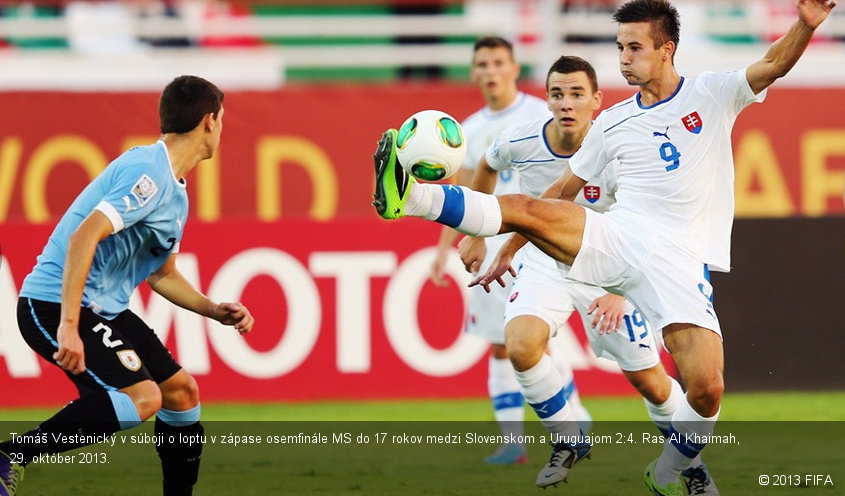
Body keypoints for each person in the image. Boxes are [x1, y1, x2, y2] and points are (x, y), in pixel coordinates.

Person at [371, 0, 836, 494]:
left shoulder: (712, 93)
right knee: (526, 206)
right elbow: (560, 196)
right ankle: (410, 196)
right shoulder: (612, 122)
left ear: (666, 49)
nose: (624, 58)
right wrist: (509, 248)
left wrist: (804, 25)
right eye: (619, 47)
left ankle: (669, 472)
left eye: (634, 47)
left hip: (680, 261)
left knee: (705, 389)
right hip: (621, 234)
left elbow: (773, 64)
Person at [459, 54, 706, 491]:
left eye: (577, 94)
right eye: (557, 94)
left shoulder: (623, 147)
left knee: (649, 381)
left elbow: (645, 226)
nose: (566, 104)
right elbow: (487, 166)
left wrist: (621, 291)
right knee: (520, 344)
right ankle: (569, 439)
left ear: (596, 100)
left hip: (608, 269)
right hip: (545, 262)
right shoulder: (520, 140)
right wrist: (476, 234)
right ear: (547, 100)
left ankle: (691, 466)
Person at [0, 75, 254, 496]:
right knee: (144, 398)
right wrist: (67, 324)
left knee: (181, 393)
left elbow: (162, 274)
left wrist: (213, 309)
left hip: (102, 311)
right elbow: (84, 236)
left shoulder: (175, 193)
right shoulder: (148, 173)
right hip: (53, 304)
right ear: (209, 121)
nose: (222, 128)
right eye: (223, 119)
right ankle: (11, 456)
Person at [428, 36, 589, 465]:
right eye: (482, 63)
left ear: (515, 68)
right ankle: (515, 441)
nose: (491, 70)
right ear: (473, 72)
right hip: (489, 245)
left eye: (498, 62)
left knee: (531, 342)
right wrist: (449, 245)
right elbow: (463, 191)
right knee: (501, 345)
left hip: (533, 246)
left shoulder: (542, 113)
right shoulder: (467, 130)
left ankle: (576, 418)